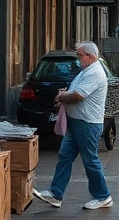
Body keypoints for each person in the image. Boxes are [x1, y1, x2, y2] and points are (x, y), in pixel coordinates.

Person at [33, 42, 113, 210]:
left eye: (79, 55)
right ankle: (56, 194)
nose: (78, 59)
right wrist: (64, 94)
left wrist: (62, 97)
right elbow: (74, 90)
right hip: (77, 122)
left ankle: (103, 196)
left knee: (90, 160)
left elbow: (79, 95)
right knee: (65, 156)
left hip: (87, 124)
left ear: (89, 57)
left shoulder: (95, 73)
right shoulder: (86, 70)